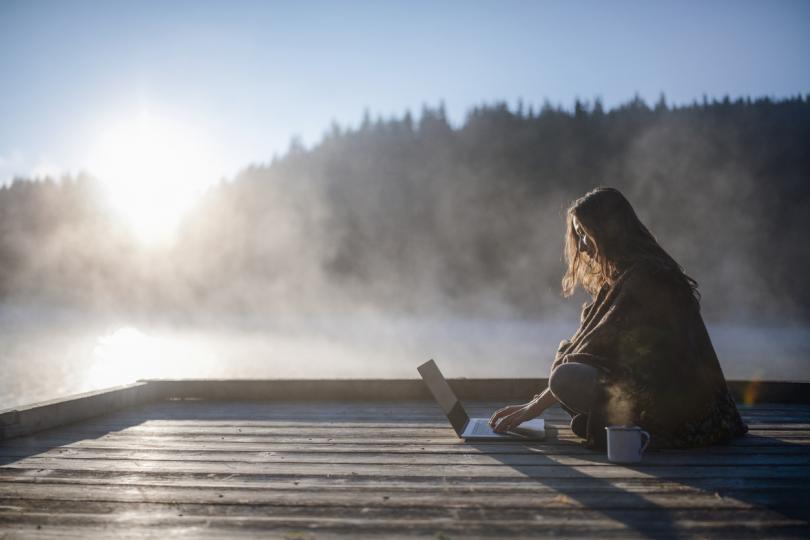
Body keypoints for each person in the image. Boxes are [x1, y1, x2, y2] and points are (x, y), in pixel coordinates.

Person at [488, 187, 748, 449]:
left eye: (586, 235)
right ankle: (611, 424)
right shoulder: (622, 276)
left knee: (565, 377)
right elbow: (586, 348)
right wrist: (530, 405)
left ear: (609, 231)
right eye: (577, 236)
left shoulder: (648, 277)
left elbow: (602, 350)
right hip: (647, 388)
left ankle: (636, 429)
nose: (582, 247)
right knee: (566, 361)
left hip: (681, 407)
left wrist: (532, 410)